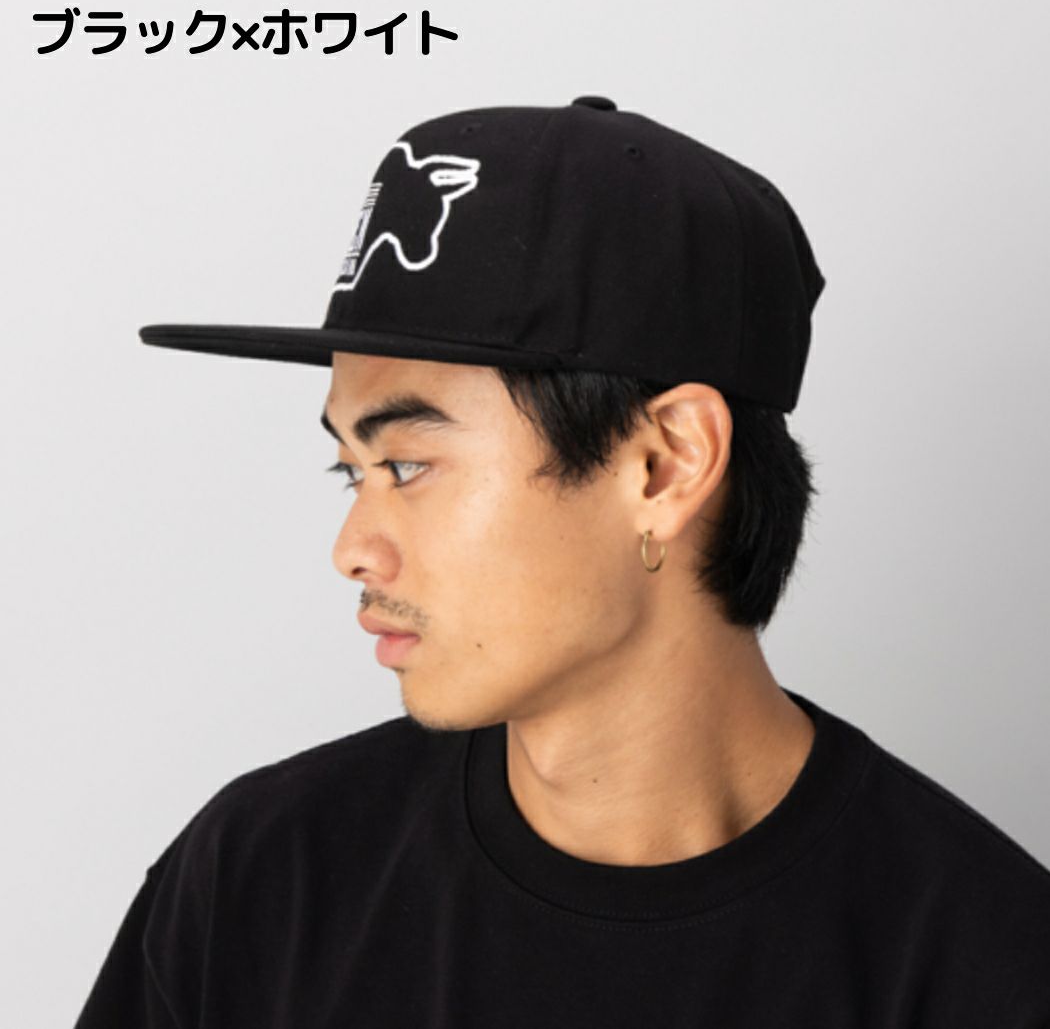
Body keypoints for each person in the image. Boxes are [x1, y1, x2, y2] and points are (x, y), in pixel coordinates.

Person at [74, 95, 1050, 1028]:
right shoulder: (260, 883)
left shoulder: (989, 969)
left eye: (407, 465)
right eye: (351, 472)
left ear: (666, 465)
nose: (352, 550)